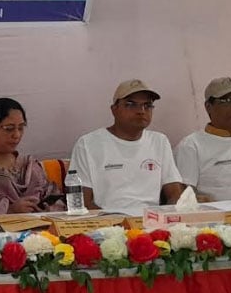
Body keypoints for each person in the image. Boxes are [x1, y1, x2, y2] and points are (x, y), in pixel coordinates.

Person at [69, 79, 184, 213]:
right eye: (131, 104)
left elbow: (175, 195)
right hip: (108, 222)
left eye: (147, 105)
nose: (141, 111)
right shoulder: (88, 144)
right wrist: (115, 221)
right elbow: (82, 202)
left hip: (151, 220)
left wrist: (165, 218)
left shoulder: (159, 141)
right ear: (114, 110)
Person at [0, 98, 64, 214]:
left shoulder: (29, 166)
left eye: (21, 128)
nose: (16, 135)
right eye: (9, 129)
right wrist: (9, 211)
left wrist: (46, 209)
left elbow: (55, 198)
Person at [174, 77, 231, 200]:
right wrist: (197, 200)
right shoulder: (191, 145)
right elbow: (185, 196)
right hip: (217, 211)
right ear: (208, 106)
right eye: (227, 101)